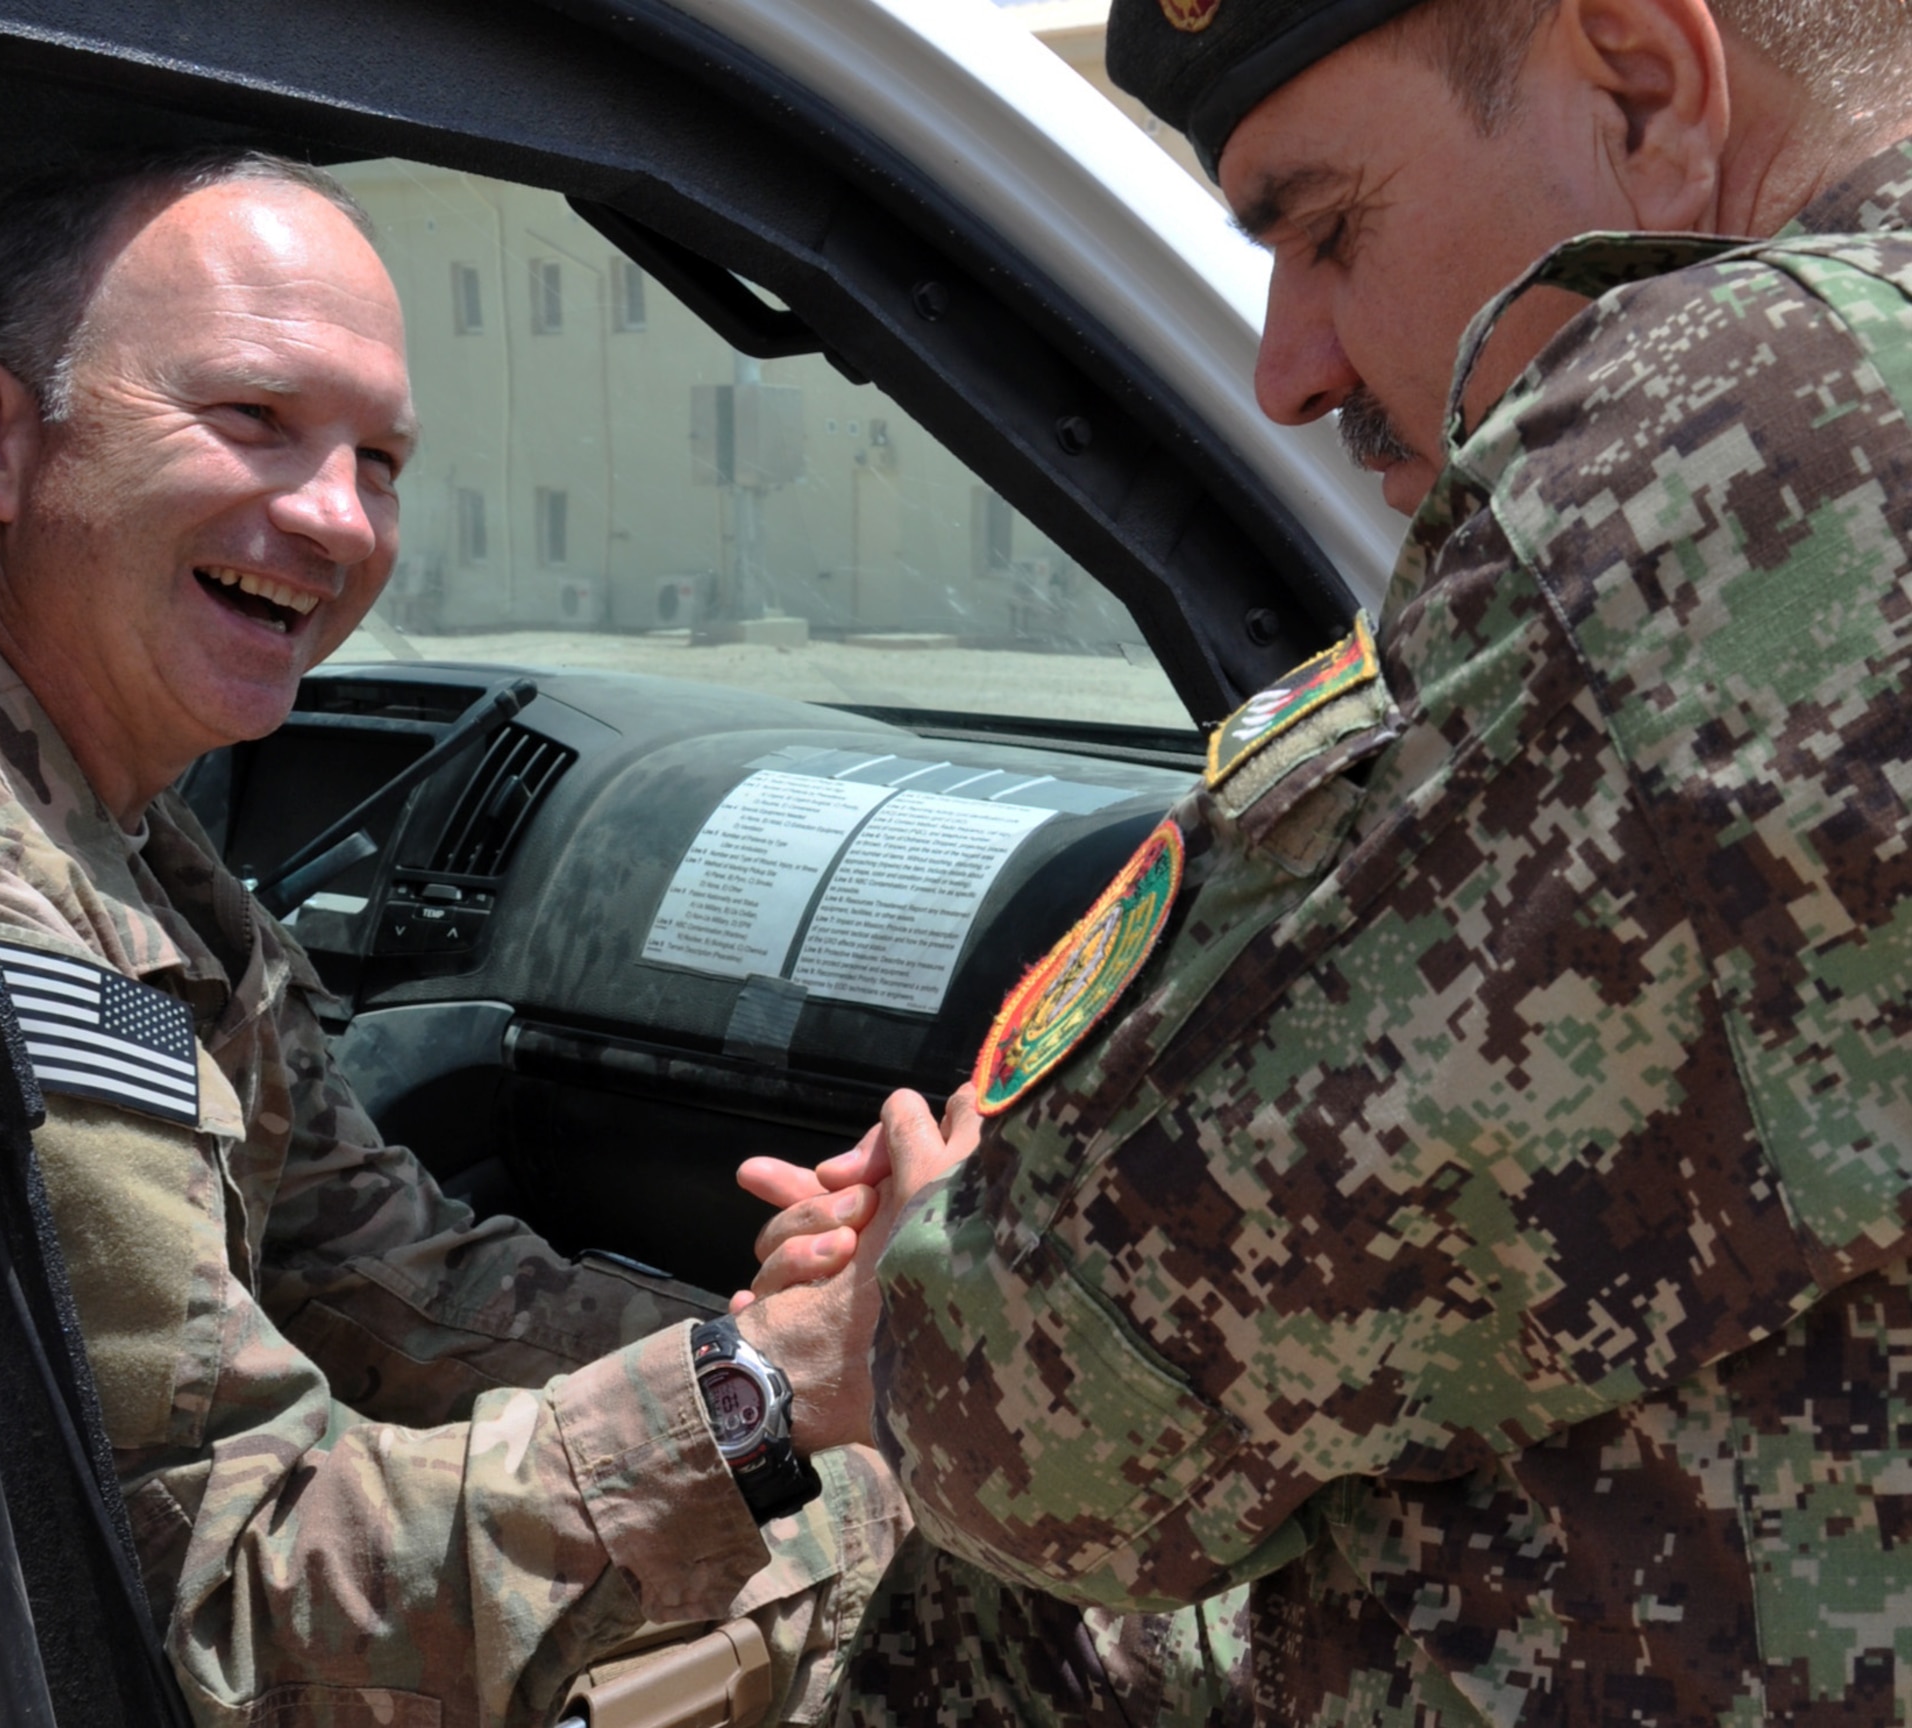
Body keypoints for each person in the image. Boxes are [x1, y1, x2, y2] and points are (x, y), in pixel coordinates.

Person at [739, 0, 1912, 1721]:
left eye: (1329, 228)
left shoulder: (1773, 420)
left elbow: (1071, 1413)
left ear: (1646, 90)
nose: (1289, 370)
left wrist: (912, 1297)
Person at [0, 147, 909, 1728]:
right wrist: (769, 1400)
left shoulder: (115, 822)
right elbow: (217, 1611)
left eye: (379, 459)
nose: (336, 519)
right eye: (252, 419)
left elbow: (383, 1275)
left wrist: (788, 1346)